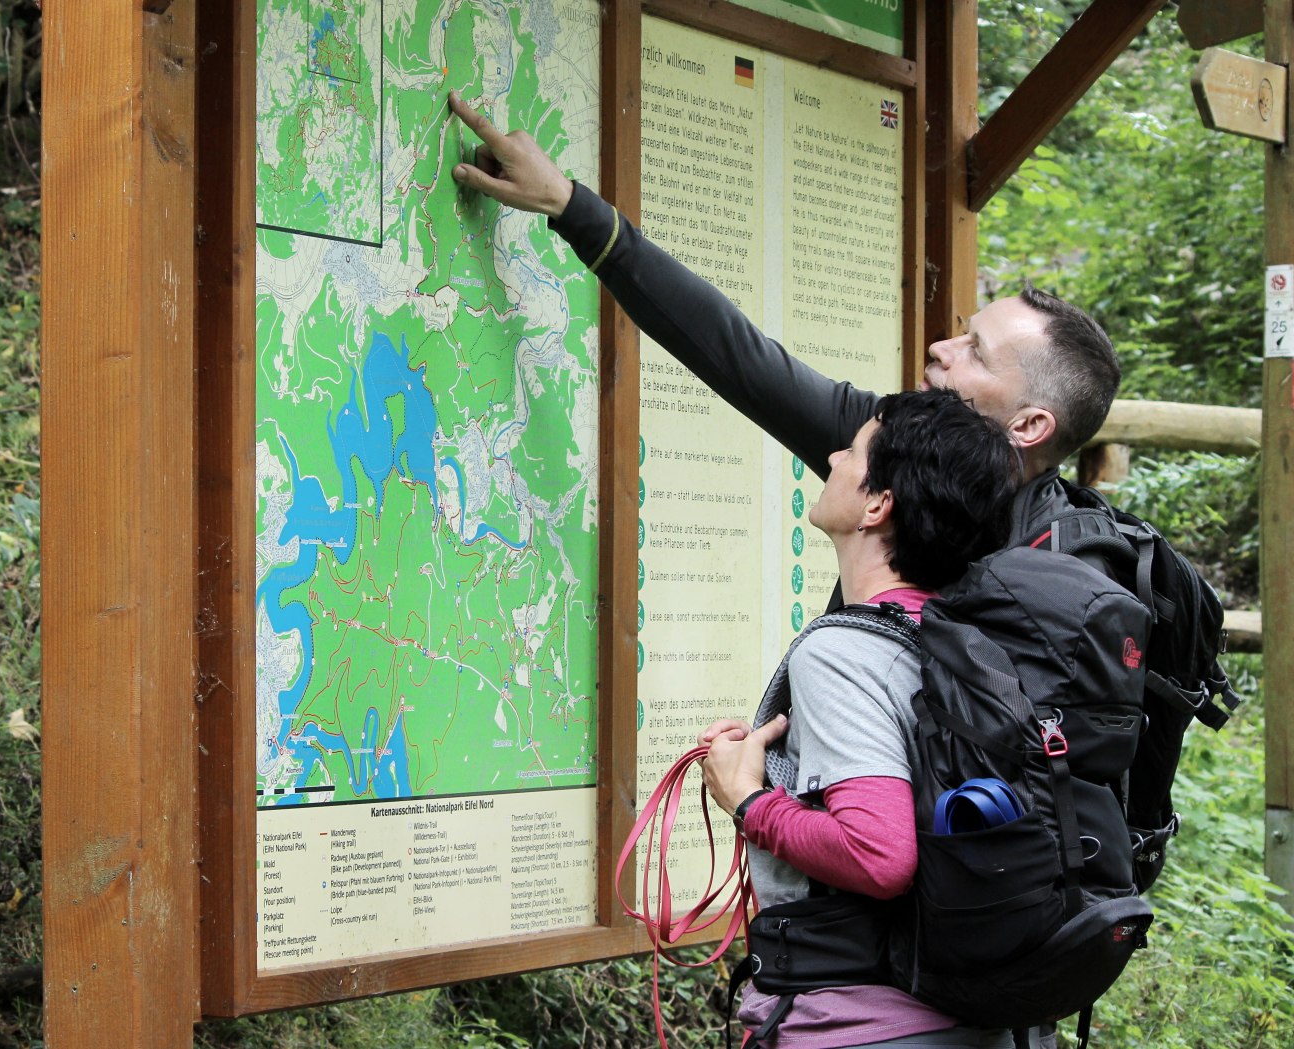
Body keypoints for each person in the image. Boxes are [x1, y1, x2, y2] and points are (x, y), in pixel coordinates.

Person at [445, 91, 1123, 579]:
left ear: (1031, 424)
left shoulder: (1039, 573)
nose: (939, 349)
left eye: (974, 352)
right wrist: (569, 206)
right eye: (960, 334)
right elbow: (732, 349)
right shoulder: (886, 437)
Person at [700, 387, 1020, 1047]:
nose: (831, 455)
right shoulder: (958, 635)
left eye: (851, 451)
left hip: (860, 1025)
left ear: (877, 504)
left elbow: (880, 855)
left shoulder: (843, 651)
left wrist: (747, 798)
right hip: (962, 1015)